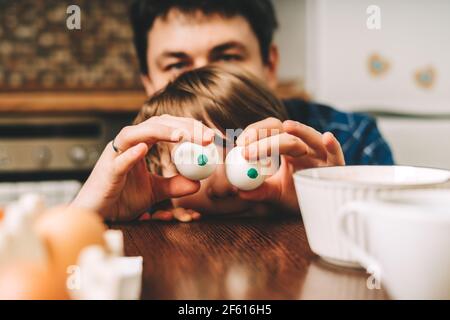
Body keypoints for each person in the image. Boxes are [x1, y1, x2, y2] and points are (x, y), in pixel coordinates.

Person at [71, 0, 393, 221]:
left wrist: (331, 205)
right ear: (148, 81)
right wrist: (88, 217)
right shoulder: (135, 168)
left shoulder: (351, 138)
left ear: (270, 65)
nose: (209, 80)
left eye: (227, 57)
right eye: (178, 65)